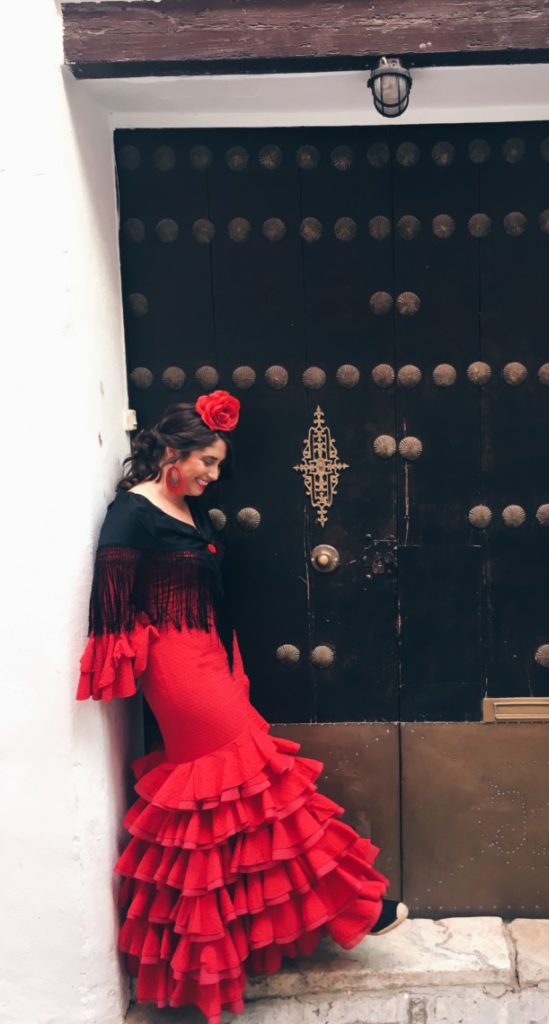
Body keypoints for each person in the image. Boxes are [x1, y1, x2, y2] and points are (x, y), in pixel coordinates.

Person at [76, 390, 408, 1024]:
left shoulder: (179, 506)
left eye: (218, 465)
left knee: (239, 800)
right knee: (256, 781)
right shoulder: (133, 514)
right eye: (208, 461)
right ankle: (354, 905)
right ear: (172, 452)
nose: (214, 475)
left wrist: (226, 660)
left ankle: (215, 955)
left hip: (211, 659)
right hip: (177, 672)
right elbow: (111, 602)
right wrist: (129, 657)